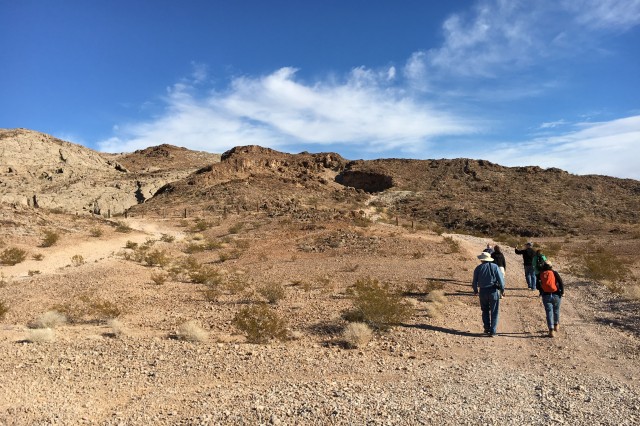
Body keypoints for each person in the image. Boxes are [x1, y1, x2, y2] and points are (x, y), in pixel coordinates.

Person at [472, 252, 505, 336]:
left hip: (482, 291)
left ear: (481, 259)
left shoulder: (478, 268)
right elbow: (501, 280)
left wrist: (475, 290)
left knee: (485, 310)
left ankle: (486, 328)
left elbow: (474, 281)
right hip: (493, 291)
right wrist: (502, 289)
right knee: (494, 311)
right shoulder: (495, 267)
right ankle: (493, 331)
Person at [538, 261, 564, 337]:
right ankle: (556, 325)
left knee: (549, 312)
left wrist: (541, 290)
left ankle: (551, 330)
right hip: (556, 294)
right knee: (556, 310)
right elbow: (560, 282)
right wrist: (562, 292)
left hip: (546, 295)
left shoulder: (541, 274)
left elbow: (538, 285)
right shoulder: (554, 273)